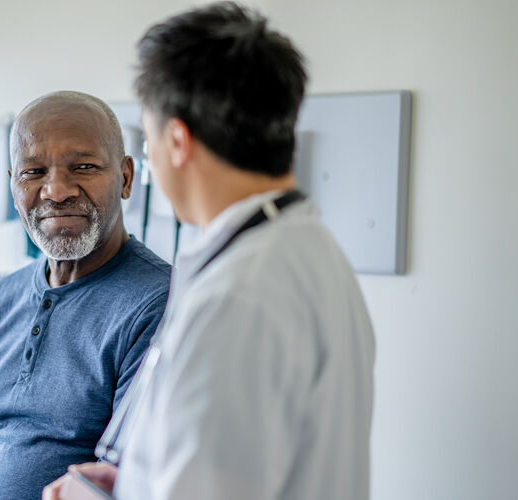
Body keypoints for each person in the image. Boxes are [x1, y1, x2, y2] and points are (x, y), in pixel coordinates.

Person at [44, 3, 375, 500]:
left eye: (149, 141)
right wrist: (135, 484)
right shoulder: (311, 252)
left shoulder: (238, 296)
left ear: (177, 141)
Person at [0, 91, 171, 500]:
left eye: (83, 167)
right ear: (13, 183)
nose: (56, 191)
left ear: (126, 178)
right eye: (33, 172)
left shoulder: (160, 305)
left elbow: (121, 483)